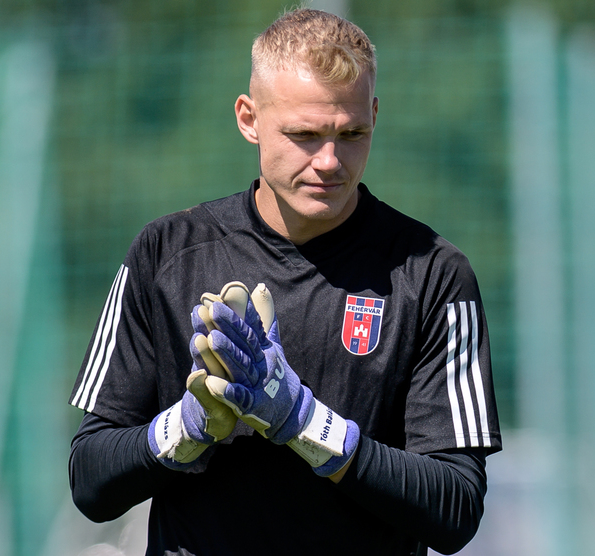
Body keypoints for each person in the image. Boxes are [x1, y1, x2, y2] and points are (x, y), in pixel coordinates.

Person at [68, 8, 502, 556]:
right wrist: (188, 426)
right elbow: (91, 482)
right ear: (249, 118)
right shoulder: (166, 253)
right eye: (304, 135)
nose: (330, 161)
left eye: (352, 133)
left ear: (374, 115)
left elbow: (456, 509)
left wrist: (305, 422)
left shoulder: (432, 274)